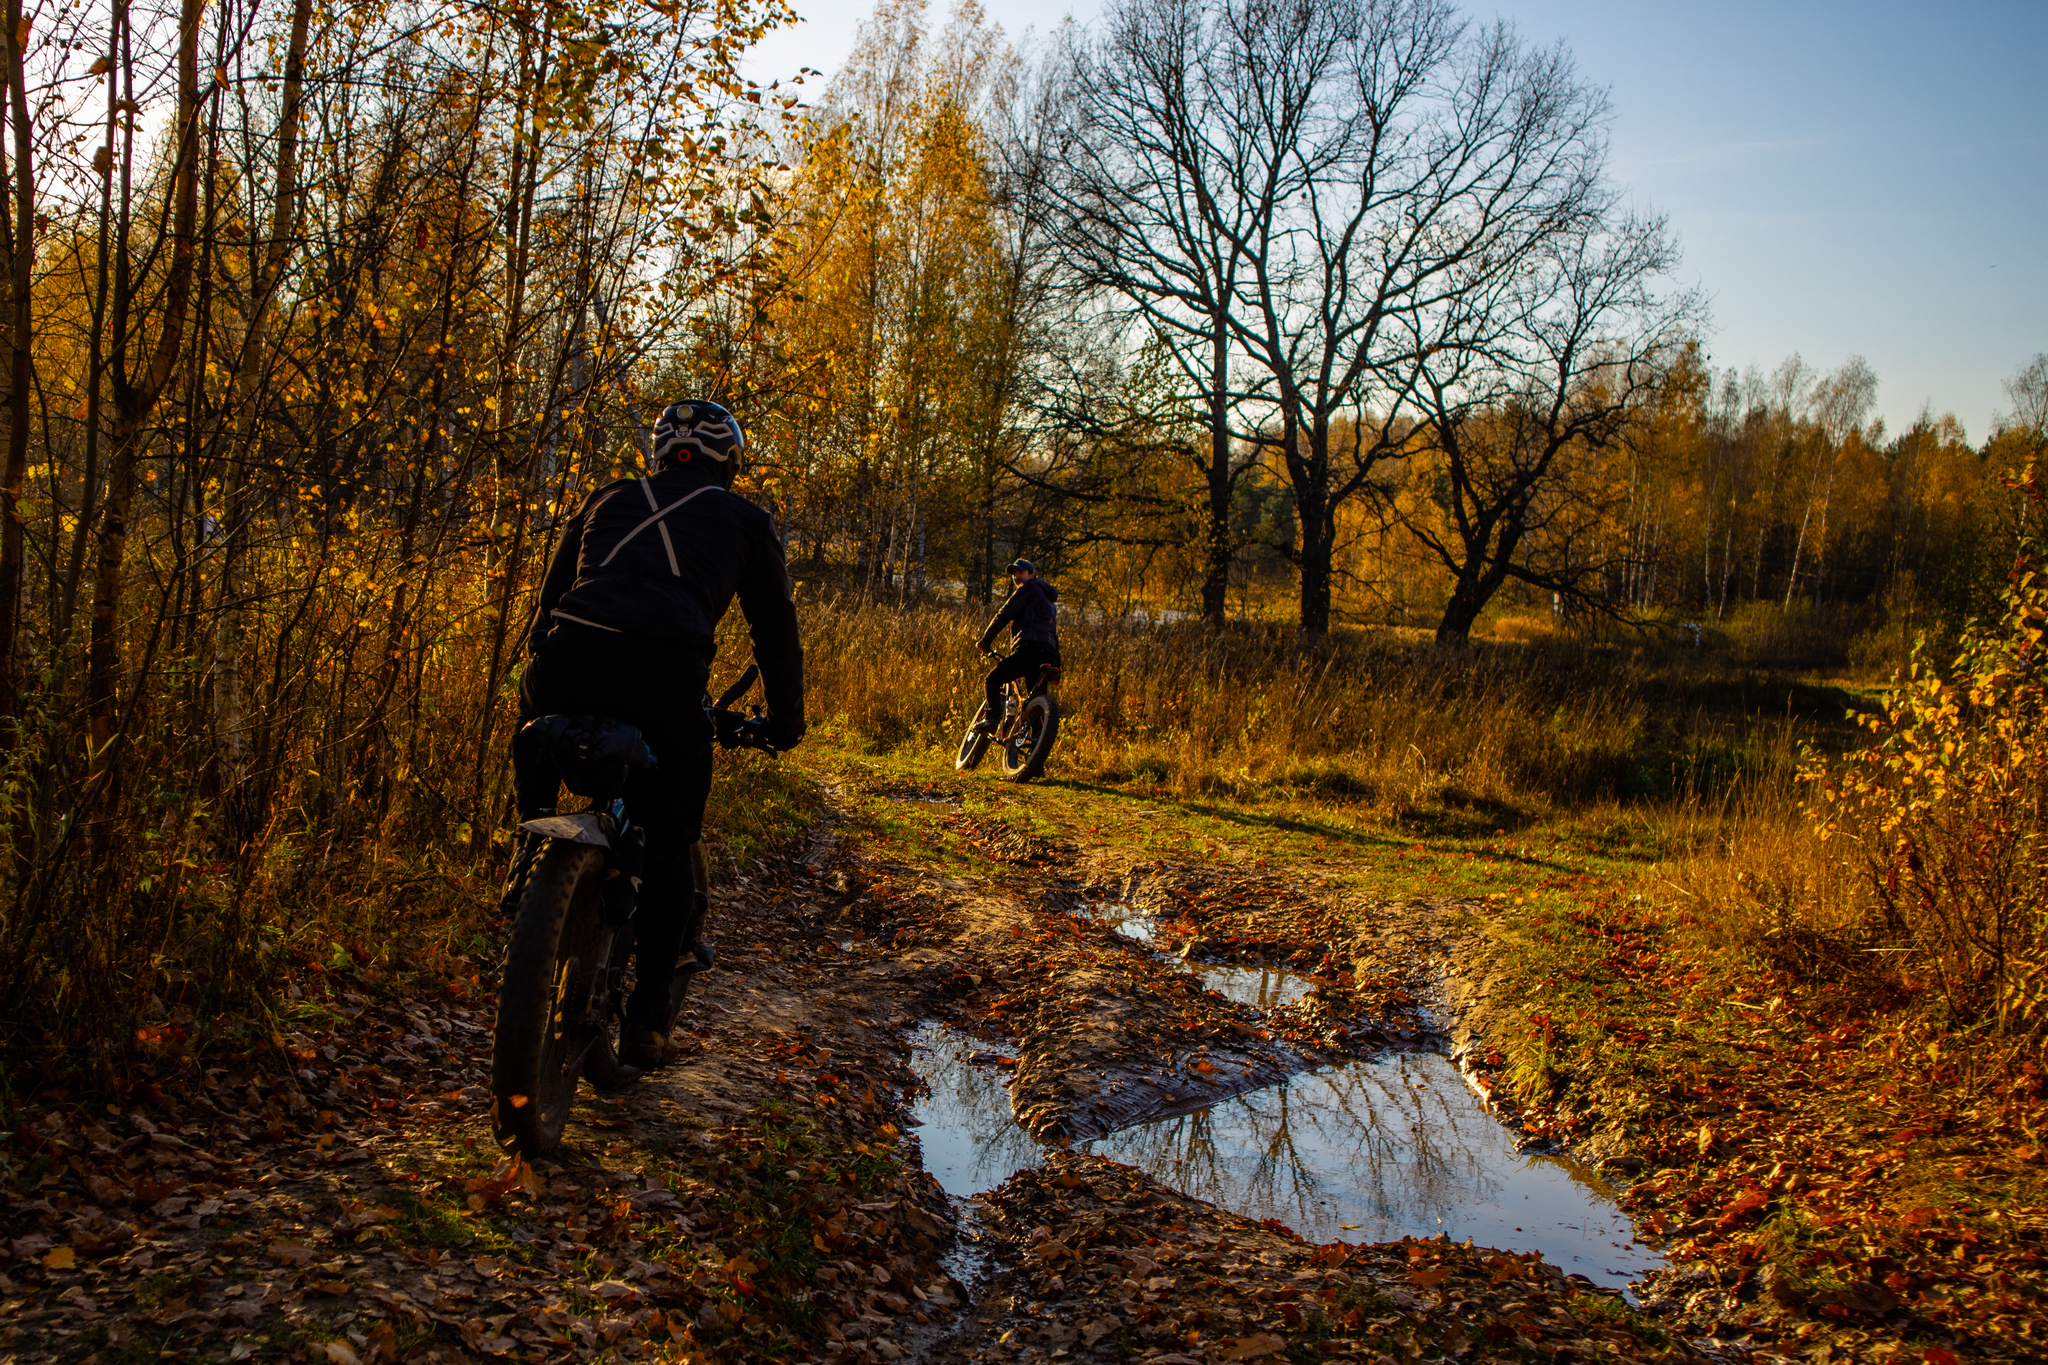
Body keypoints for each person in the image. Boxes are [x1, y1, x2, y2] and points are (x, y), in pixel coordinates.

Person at [510, 399, 803, 1067]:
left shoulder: (606, 497)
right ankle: (646, 1024)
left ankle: (528, 851)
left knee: (537, 733)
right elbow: (776, 639)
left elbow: (547, 607)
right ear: (729, 462)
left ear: (658, 451)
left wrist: (545, 672)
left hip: (563, 665)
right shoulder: (747, 521)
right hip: (665, 681)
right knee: (671, 841)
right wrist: (785, 724)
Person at [975, 559, 1060, 733]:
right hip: (1048, 654)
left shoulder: (1028, 588)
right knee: (1037, 704)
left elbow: (1005, 614)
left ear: (1032, 574)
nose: (1017, 577)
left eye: (1021, 572)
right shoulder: (1050, 603)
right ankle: (1037, 748)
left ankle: (991, 719)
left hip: (1029, 648)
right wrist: (1057, 666)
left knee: (992, 679)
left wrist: (986, 640)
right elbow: (1053, 634)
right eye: (1014, 574)